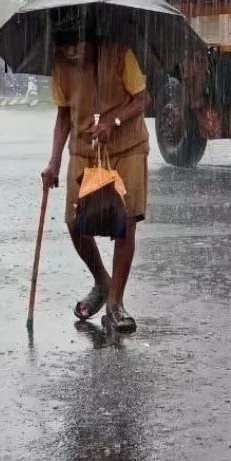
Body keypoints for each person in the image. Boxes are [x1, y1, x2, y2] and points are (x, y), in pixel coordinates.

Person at [41, 32, 151, 333]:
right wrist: (54, 161)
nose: (72, 52)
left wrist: (112, 122)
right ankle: (102, 282)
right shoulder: (62, 65)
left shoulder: (119, 52)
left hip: (127, 146)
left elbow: (142, 98)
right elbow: (64, 114)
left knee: (125, 222)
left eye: (77, 44)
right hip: (84, 150)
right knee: (75, 223)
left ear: (90, 38)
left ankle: (115, 302)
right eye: (66, 46)